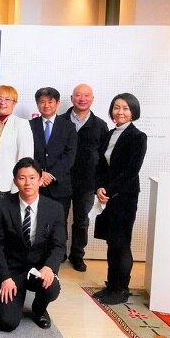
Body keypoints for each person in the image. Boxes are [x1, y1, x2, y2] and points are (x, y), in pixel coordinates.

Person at [0, 157, 66, 332]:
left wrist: (49, 268)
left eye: (32, 177)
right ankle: (4, 296)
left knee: (51, 287)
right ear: (15, 181)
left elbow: (59, 245)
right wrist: (4, 278)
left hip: (39, 269)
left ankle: (39, 309)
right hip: (12, 270)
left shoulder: (54, 209)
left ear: (40, 180)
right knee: (7, 323)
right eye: (22, 178)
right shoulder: (1, 206)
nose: (27, 183)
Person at [93, 93, 147, 305]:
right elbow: (101, 165)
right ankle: (112, 285)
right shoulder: (110, 134)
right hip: (107, 196)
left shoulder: (137, 136)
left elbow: (131, 171)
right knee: (111, 241)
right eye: (116, 107)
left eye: (125, 108)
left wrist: (109, 190)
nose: (120, 112)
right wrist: (99, 187)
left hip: (124, 197)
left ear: (133, 111)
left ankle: (121, 289)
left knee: (121, 243)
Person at [0, 85, 34, 275]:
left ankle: (8, 261)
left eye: (7, 99)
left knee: (8, 223)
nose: (2, 102)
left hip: (10, 183)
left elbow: (26, 158)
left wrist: (20, 184)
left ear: (14, 103)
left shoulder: (22, 124)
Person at [59, 84, 108, 272]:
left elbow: (104, 159)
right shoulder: (60, 121)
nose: (82, 98)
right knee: (58, 219)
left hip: (87, 183)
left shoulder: (100, 125)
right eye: (78, 95)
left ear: (92, 99)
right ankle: (59, 253)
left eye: (86, 95)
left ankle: (77, 255)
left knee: (82, 221)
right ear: (72, 98)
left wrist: (100, 184)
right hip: (61, 180)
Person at [29, 87, 77, 253]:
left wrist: (52, 174)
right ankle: (38, 253)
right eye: (42, 102)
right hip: (36, 184)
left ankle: (58, 254)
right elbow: (28, 153)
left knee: (59, 222)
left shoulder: (68, 127)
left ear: (57, 103)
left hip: (60, 185)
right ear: (37, 104)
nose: (46, 105)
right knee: (37, 219)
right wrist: (40, 173)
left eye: (50, 101)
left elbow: (69, 156)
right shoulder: (29, 125)